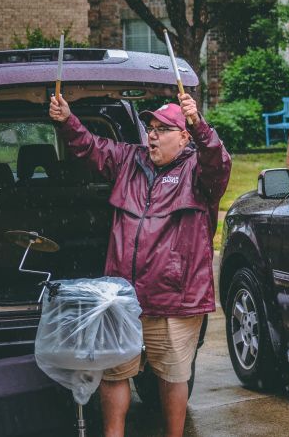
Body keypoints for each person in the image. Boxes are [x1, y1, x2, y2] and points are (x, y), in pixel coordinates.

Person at [49, 92, 231, 437]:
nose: (152, 135)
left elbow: (218, 161)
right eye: (150, 128)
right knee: (116, 372)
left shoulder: (200, 171)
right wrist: (67, 120)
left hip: (175, 299)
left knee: (173, 375)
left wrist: (201, 124)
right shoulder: (128, 160)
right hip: (123, 298)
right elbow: (90, 147)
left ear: (184, 137)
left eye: (163, 129)